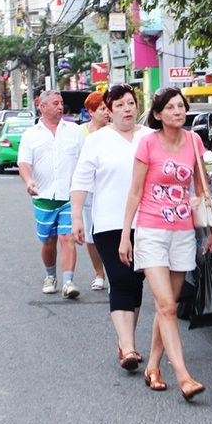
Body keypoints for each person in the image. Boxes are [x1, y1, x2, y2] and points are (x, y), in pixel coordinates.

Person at [120, 87, 212, 401]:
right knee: (167, 306)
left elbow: (201, 186)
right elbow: (135, 191)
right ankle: (184, 377)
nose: (178, 112)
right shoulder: (148, 142)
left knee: (168, 307)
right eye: (171, 108)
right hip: (151, 231)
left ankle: (153, 366)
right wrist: (125, 234)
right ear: (158, 114)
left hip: (183, 233)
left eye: (181, 106)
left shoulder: (194, 141)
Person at [71, 85, 153, 371]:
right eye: (119, 105)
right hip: (109, 223)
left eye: (130, 103)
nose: (127, 109)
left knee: (136, 281)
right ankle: (128, 348)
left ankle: (126, 341)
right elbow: (81, 180)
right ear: (109, 110)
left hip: (147, 221)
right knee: (120, 279)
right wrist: (77, 217)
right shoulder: (97, 140)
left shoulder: (149, 136)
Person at [18, 90, 85, 298]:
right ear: (43, 107)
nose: (60, 107)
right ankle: (50, 276)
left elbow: (85, 161)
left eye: (61, 103)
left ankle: (68, 282)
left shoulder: (74, 131)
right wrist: (28, 181)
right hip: (43, 197)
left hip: (69, 196)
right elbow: (24, 163)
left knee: (67, 237)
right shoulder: (31, 135)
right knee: (48, 241)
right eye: (55, 103)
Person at [78, 91, 113, 291]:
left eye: (108, 109)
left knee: (112, 233)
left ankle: (114, 274)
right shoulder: (80, 133)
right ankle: (99, 273)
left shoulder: (115, 131)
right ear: (91, 112)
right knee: (91, 236)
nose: (107, 112)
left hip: (110, 191)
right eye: (102, 109)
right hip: (89, 192)